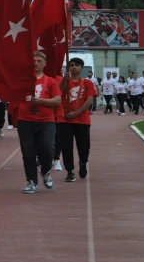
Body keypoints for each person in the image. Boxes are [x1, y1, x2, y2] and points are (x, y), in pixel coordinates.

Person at [17, 51, 62, 194]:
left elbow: (57, 100)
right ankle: (31, 181)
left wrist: (40, 101)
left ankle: (46, 171)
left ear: (44, 63)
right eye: (34, 61)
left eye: (39, 61)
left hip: (46, 121)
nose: (36, 64)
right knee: (28, 152)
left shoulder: (51, 81)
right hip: (25, 120)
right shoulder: (23, 81)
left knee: (47, 148)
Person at [57, 57, 96, 182]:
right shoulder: (63, 81)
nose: (74, 67)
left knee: (84, 146)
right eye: (71, 65)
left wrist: (76, 113)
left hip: (82, 120)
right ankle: (70, 171)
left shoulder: (87, 83)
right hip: (64, 119)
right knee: (66, 146)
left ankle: (83, 163)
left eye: (77, 65)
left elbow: (90, 100)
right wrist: (64, 79)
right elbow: (57, 93)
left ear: (82, 68)